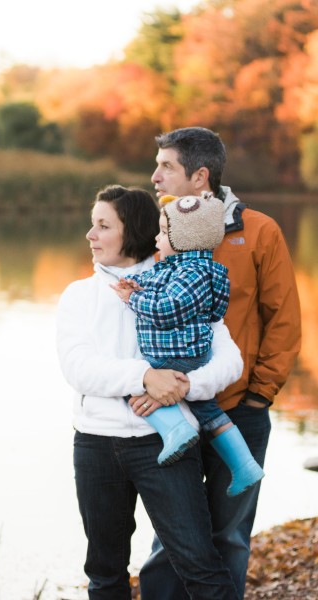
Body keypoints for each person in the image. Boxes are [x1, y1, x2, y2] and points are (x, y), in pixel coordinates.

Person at [56, 184, 243, 599]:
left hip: (166, 447)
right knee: (105, 574)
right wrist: (145, 377)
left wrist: (185, 386)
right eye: (92, 225)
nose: (91, 235)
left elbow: (229, 362)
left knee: (200, 565)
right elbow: (79, 368)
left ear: (135, 230)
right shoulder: (78, 296)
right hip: (96, 446)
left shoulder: (182, 286)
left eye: (103, 226)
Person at [139, 127, 302, 600]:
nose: (155, 176)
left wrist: (259, 396)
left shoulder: (259, 231)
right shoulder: (158, 233)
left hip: (239, 412)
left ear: (200, 176)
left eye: (166, 166)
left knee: (229, 536)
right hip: (173, 411)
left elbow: (284, 322)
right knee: (170, 539)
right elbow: (137, 319)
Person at [112, 191, 264, 497]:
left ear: (186, 239)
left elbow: (168, 308)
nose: (157, 238)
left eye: (165, 232)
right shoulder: (196, 269)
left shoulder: (189, 273)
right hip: (191, 352)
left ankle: (176, 430)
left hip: (174, 355)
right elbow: (190, 299)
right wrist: (139, 286)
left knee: (133, 383)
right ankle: (245, 465)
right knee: (209, 412)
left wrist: (133, 297)